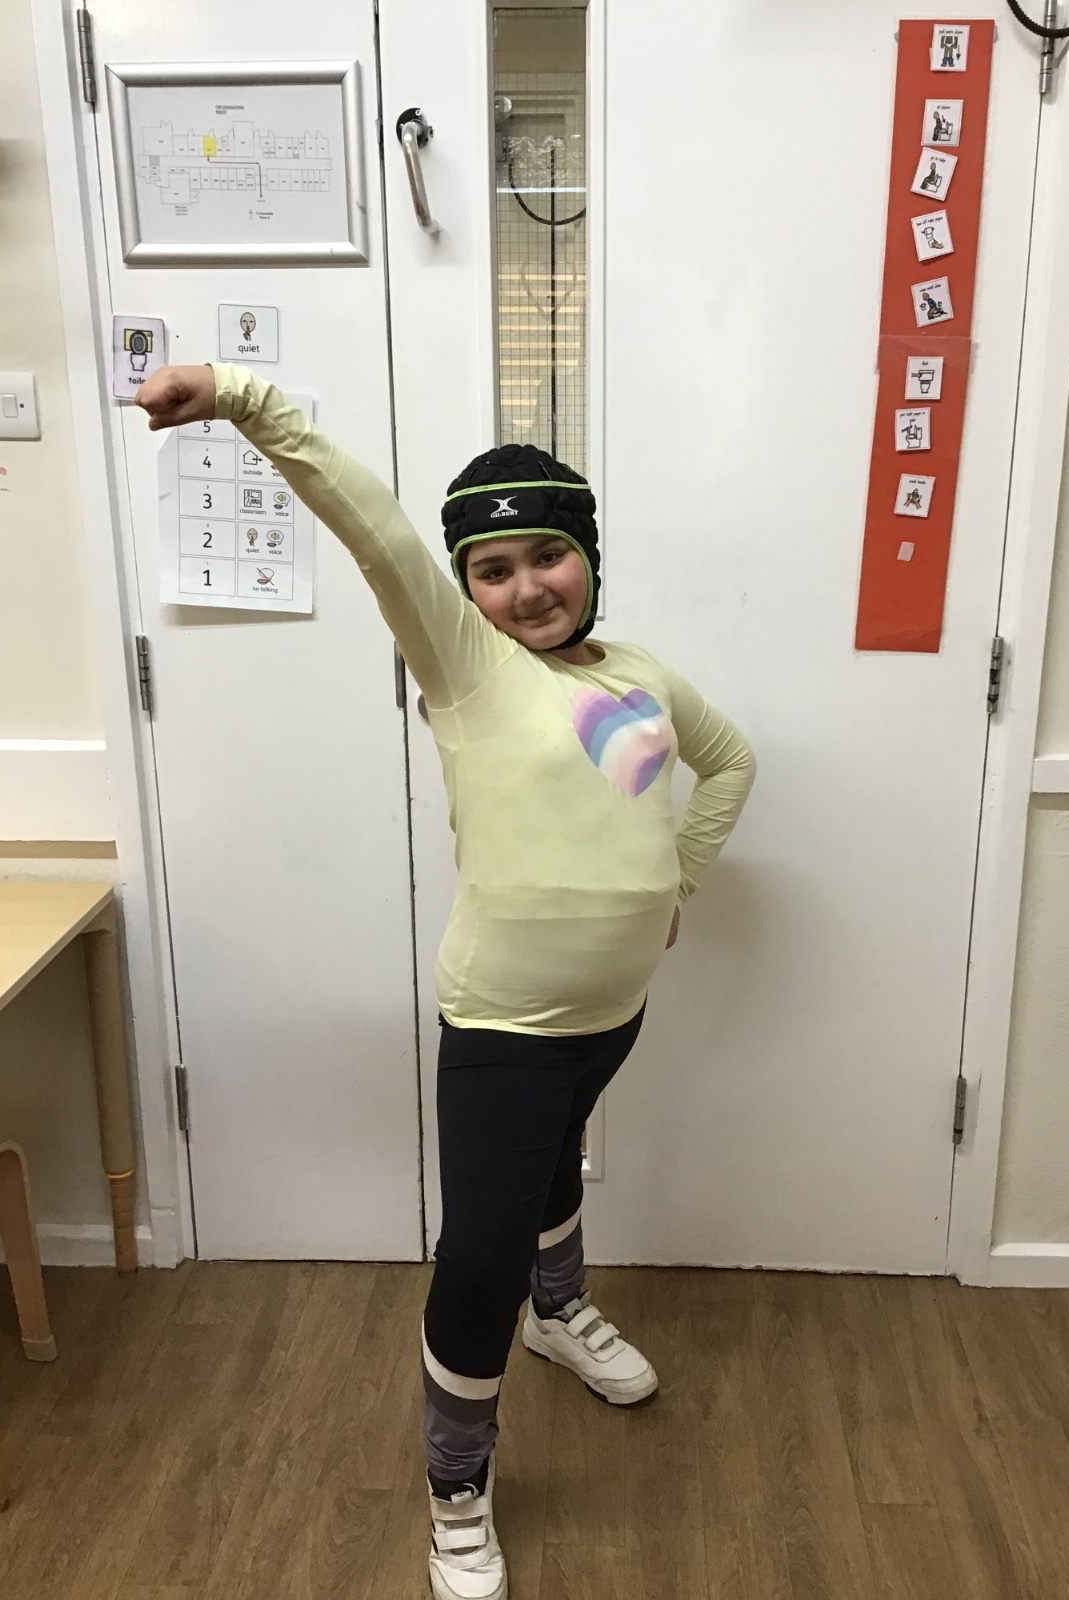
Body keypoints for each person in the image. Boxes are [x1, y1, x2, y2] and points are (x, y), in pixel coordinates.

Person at [137, 363, 756, 1600]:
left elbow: (728, 761)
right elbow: (370, 523)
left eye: (549, 555)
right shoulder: (469, 668)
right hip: (506, 1022)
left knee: (559, 1160)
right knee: (477, 1258)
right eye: (494, 567)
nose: (527, 587)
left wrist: (674, 880)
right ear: (466, 589)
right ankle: (458, 1488)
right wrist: (244, 399)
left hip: (614, 1012)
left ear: (587, 557)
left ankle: (559, 1312)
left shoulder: (636, 677)